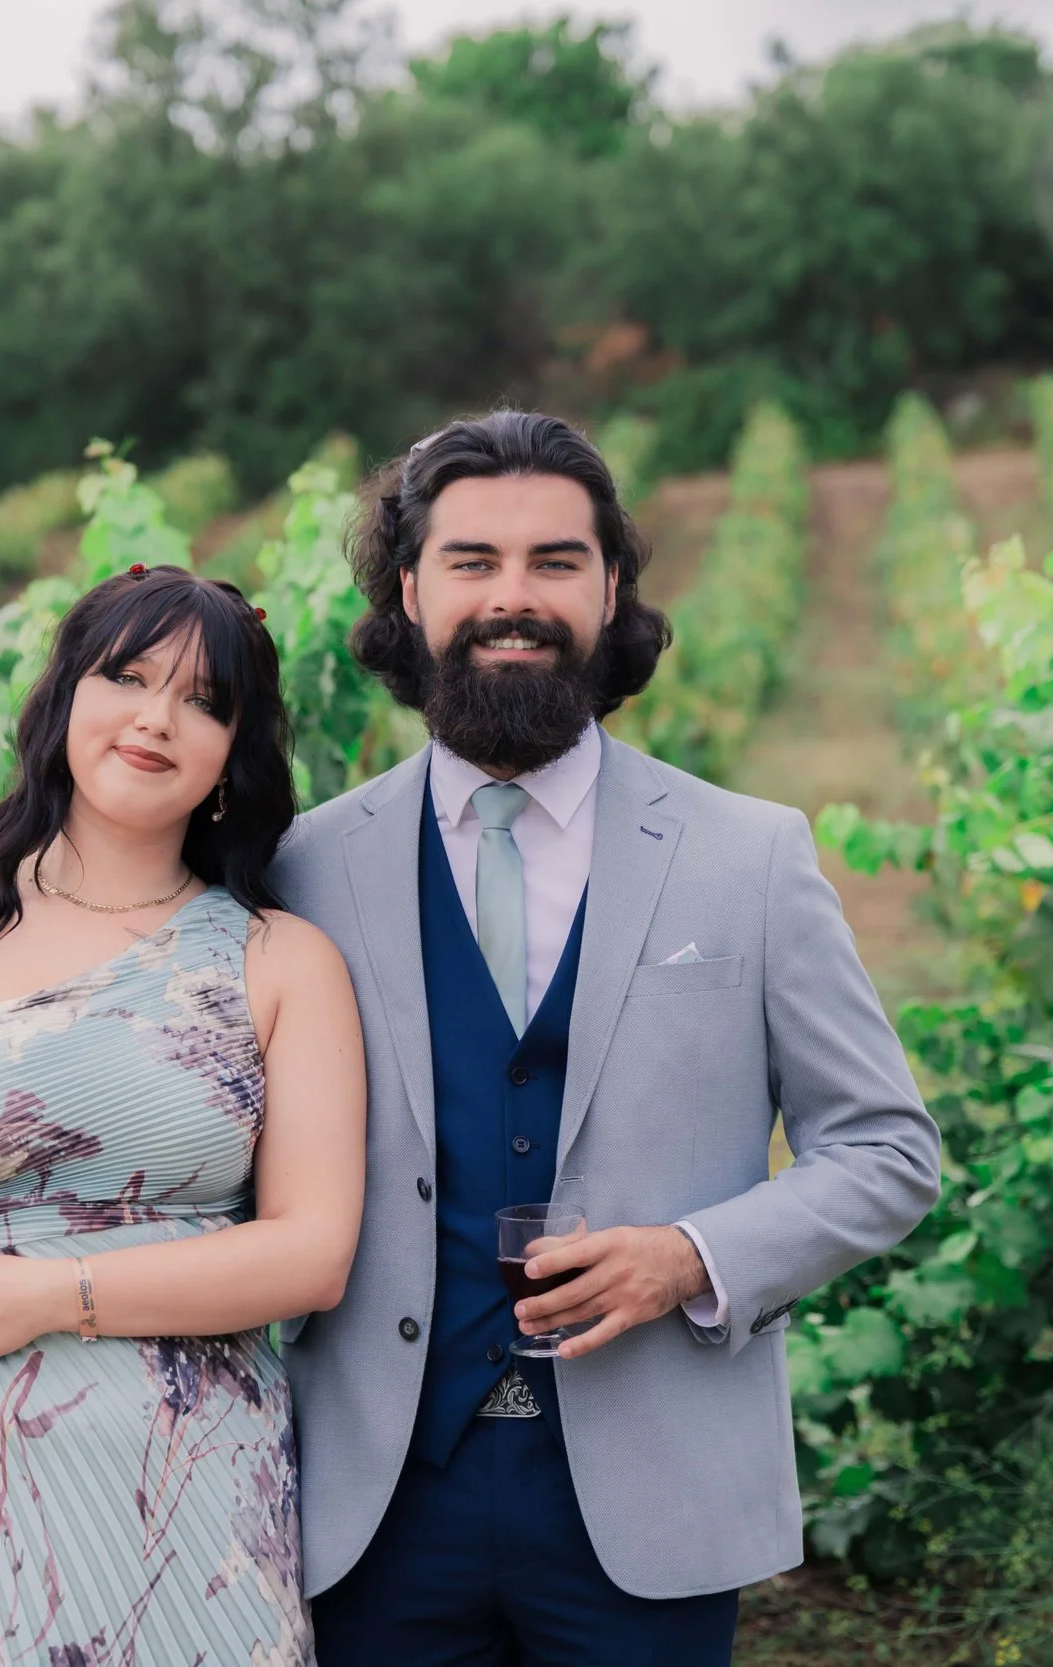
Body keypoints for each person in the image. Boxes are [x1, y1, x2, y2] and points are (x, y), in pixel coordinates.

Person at [269, 411, 943, 1665]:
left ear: (611, 585)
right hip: (373, 1502)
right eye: (471, 561)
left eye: (554, 561)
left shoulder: (748, 855)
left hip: (652, 1504)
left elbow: (887, 1150)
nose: (511, 597)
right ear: (408, 590)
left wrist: (688, 1256)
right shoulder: (307, 864)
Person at [0, 566, 366, 1666]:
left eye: (202, 699)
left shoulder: (280, 960)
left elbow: (313, 1253)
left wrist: (50, 1296)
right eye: (126, 676)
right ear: (62, 702)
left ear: (236, 750)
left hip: (183, 1490)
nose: (154, 717)